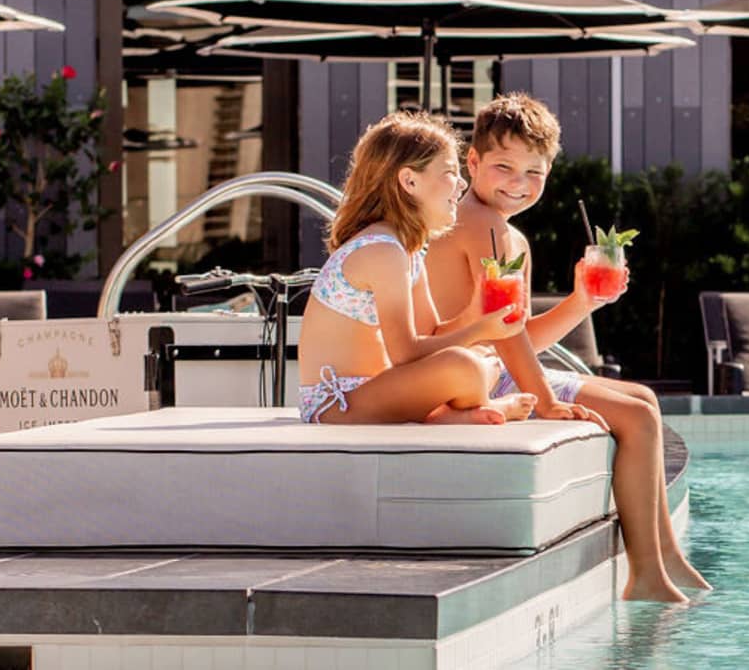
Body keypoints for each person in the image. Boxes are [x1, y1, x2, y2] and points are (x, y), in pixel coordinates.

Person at [425, 93, 711, 604]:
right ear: (472, 162)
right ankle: (645, 572)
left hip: (494, 369)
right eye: (503, 167)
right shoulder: (482, 226)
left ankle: (666, 557)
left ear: (550, 171)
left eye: (534, 173)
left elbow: (519, 333)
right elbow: (509, 342)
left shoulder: (511, 236)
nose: (518, 183)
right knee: (639, 418)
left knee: (643, 399)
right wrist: (548, 401)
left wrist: (582, 302)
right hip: (466, 380)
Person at [296, 111, 537, 426]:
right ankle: (451, 415)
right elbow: (406, 354)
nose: (462, 182)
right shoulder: (382, 251)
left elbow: (431, 334)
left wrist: (472, 315)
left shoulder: (406, 251)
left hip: (374, 392)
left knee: (480, 362)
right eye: (450, 171)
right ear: (409, 181)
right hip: (337, 405)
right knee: (466, 366)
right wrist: (479, 331)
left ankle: (447, 416)